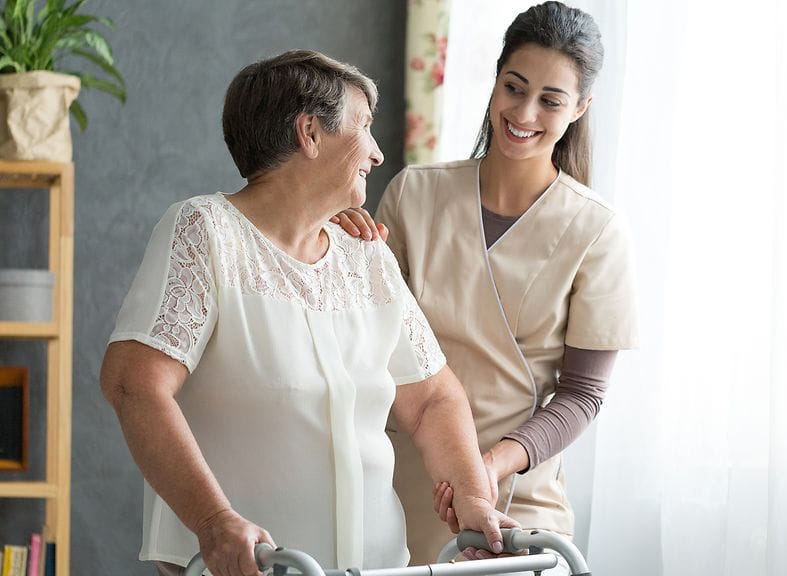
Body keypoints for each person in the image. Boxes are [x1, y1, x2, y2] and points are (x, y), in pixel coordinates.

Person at [100, 49, 514, 576]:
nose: (378, 153)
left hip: (378, 565)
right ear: (310, 133)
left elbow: (432, 395)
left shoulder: (365, 254)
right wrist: (213, 522)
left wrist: (474, 497)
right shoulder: (205, 232)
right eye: (364, 127)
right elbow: (133, 384)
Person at [335, 2, 638, 572]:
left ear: (581, 108)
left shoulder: (598, 231)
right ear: (495, 82)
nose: (524, 112)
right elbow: (363, 340)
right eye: (513, 87)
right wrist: (339, 247)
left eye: (550, 99)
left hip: (519, 502)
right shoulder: (413, 195)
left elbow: (581, 396)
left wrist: (489, 465)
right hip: (402, 487)